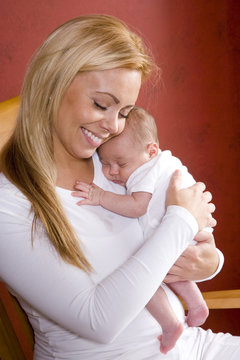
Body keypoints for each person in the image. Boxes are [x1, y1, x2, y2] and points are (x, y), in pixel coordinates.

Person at [0, 14, 238, 360]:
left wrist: (209, 261)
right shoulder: (10, 203)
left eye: (125, 111)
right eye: (101, 104)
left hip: (190, 346)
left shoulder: (115, 163)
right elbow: (98, 320)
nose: (113, 126)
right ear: (52, 84)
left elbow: (193, 236)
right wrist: (182, 219)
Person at [72, 106, 212, 354]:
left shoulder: (145, 170)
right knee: (163, 271)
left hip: (177, 227)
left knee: (141, 278)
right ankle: (197, 304)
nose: (113, 171)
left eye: (120, 163)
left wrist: (100, 195)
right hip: (191, 229)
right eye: (106, 163)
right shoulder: (162, 160)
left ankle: (170, 324)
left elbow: (138, 206)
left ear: (151, 150)